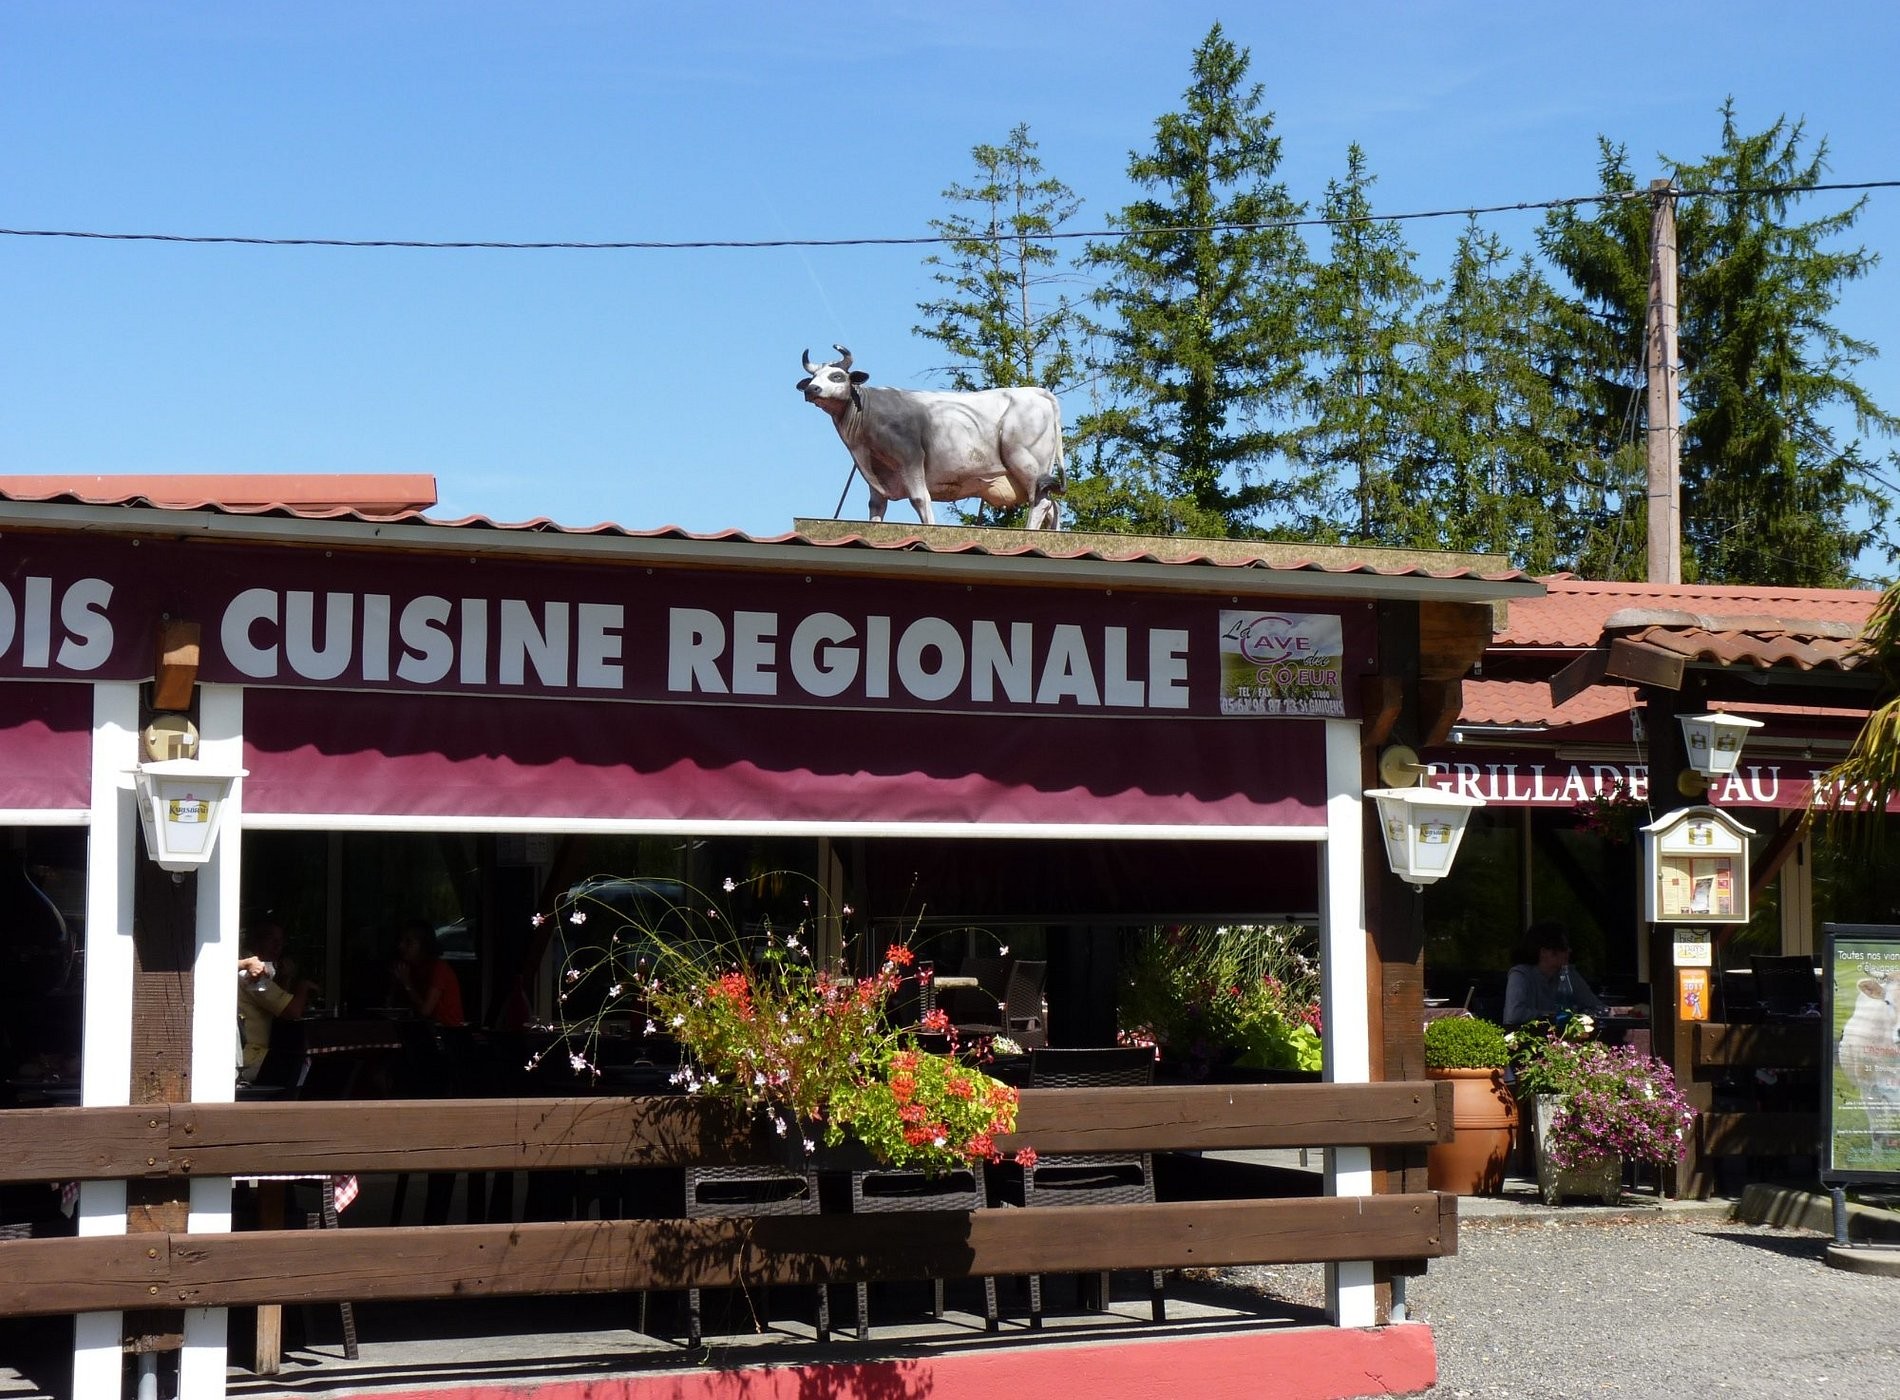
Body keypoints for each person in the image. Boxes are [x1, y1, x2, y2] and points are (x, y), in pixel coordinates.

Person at [236, 921, 319, 1084]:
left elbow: (274, 1004)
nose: (278, 946)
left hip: (254, 1054)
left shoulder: (251, 968)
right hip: (250, 1058)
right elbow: (292, 1012)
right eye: (271, 939)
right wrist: (304, 986)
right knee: (306, 1065)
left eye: (281, 941)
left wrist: (285, 977)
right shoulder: (251, 973)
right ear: (255, 941)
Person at [1502, 920, 1606, 1028]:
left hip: (1565, 1040)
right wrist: (1553, 1015)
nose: (1569, 951)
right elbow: (1514, 1015)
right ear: (1544, 952)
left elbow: (1597, 1007)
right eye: (1563, 947)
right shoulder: (1520, 975)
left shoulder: (1569, 974)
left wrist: (1581, 1015)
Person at [391, 918, 465, 1027]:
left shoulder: (439, 968)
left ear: (423, 945)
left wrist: (407, 984)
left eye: (408, 941)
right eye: (401, 941)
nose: (401, 946)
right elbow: (395, 1005)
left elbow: (425, 1011)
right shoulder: (410, 968)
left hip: (447, 1032)